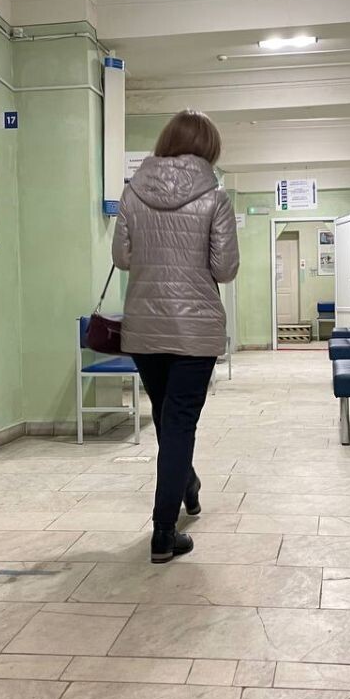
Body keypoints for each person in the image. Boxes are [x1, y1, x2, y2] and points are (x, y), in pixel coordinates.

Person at [112, 109, 240, 563]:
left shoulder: (132, 193)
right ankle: (164, 533)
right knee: (179, 422)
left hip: (145, 326)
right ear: (209, 148)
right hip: (196, 329)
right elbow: (225, 268)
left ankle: (187, 484)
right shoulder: (216, 198)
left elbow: (122, 258)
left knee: (168, 420)